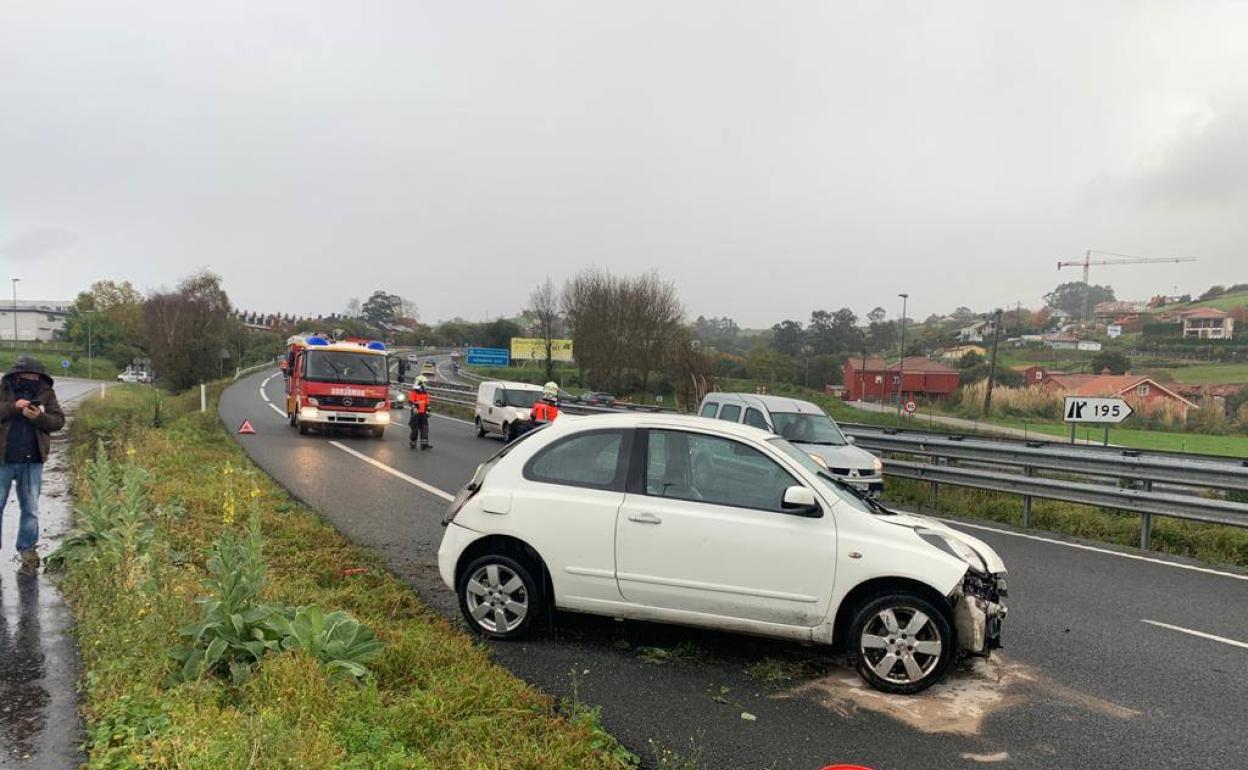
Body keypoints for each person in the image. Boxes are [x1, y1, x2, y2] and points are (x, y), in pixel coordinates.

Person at [0, 357, 65, 571]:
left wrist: (38, 417)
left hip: (33, 460)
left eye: (35, 375)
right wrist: (13, 407)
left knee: (31, 508)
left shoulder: (46, 393)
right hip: (3, 459)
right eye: (27, 374)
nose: (31, 378)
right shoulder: (3, 389)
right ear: (17, 374)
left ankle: (27, 549)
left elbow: (58, 421)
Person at [408, 375, 431, 450]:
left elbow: (427, 402)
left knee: (424, 428)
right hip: (416, 413)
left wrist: (428, 411)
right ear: (421, 383)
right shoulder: (414, 392)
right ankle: (413, 443)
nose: (426, 385)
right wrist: (414, 407)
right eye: (425, 383)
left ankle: (424, 444)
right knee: (415, 428)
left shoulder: (425, 392)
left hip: (423, 413)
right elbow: (411, 401)